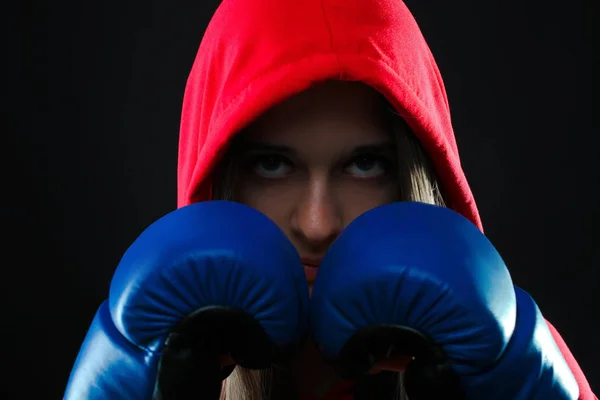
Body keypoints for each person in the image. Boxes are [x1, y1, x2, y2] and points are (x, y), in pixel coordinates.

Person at [174, 0, 596, 399]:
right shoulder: (142, 360)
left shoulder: (507, 358)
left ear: (416, 178)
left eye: (364, 165)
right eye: (271, 164)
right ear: (218, 180)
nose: (317, 224)